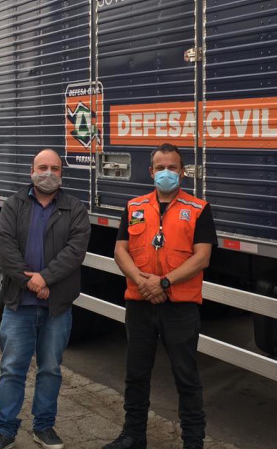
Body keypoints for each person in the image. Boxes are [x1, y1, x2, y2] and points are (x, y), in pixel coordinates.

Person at [104, 143, 217, 449]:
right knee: (136, 373)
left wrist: (163, 283)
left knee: (186, 377)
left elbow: (201, 257)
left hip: (180, 307)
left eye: (173, 167)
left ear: (182, 171)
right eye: (161, 168)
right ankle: (133, 435)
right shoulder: (134, 206)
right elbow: (120, 250)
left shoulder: (198, 209)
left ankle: (193, 441)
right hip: (140, 302)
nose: (166, 173)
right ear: (151, 171)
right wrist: (143, 282)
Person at [0, 148, 90, 449]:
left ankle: (43, 427)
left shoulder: (75, 208)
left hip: (57, 306)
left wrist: (46, 278)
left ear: (62, 173)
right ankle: (5, 431)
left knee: (50, 369)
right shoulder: (13, 205)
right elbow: (5, 248)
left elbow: (75, 251)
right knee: (12, 368)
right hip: (19, 303)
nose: (48, 173)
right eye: (42, 167)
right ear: (31, 171)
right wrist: (32, 283)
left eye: (55, 168)